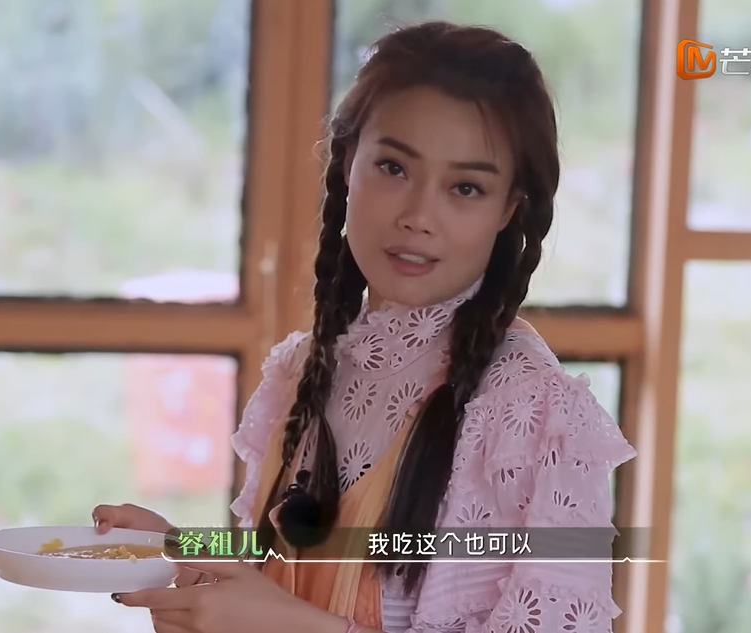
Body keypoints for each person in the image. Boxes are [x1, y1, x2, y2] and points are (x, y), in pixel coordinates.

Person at [92, 20, 636, 633]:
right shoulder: (304, 369)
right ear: (348, 161)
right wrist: (180, 548)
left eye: (465, 187)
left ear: (510, 207)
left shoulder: (531, 413)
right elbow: (285, 567)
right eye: (393, 168)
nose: (418, 216)